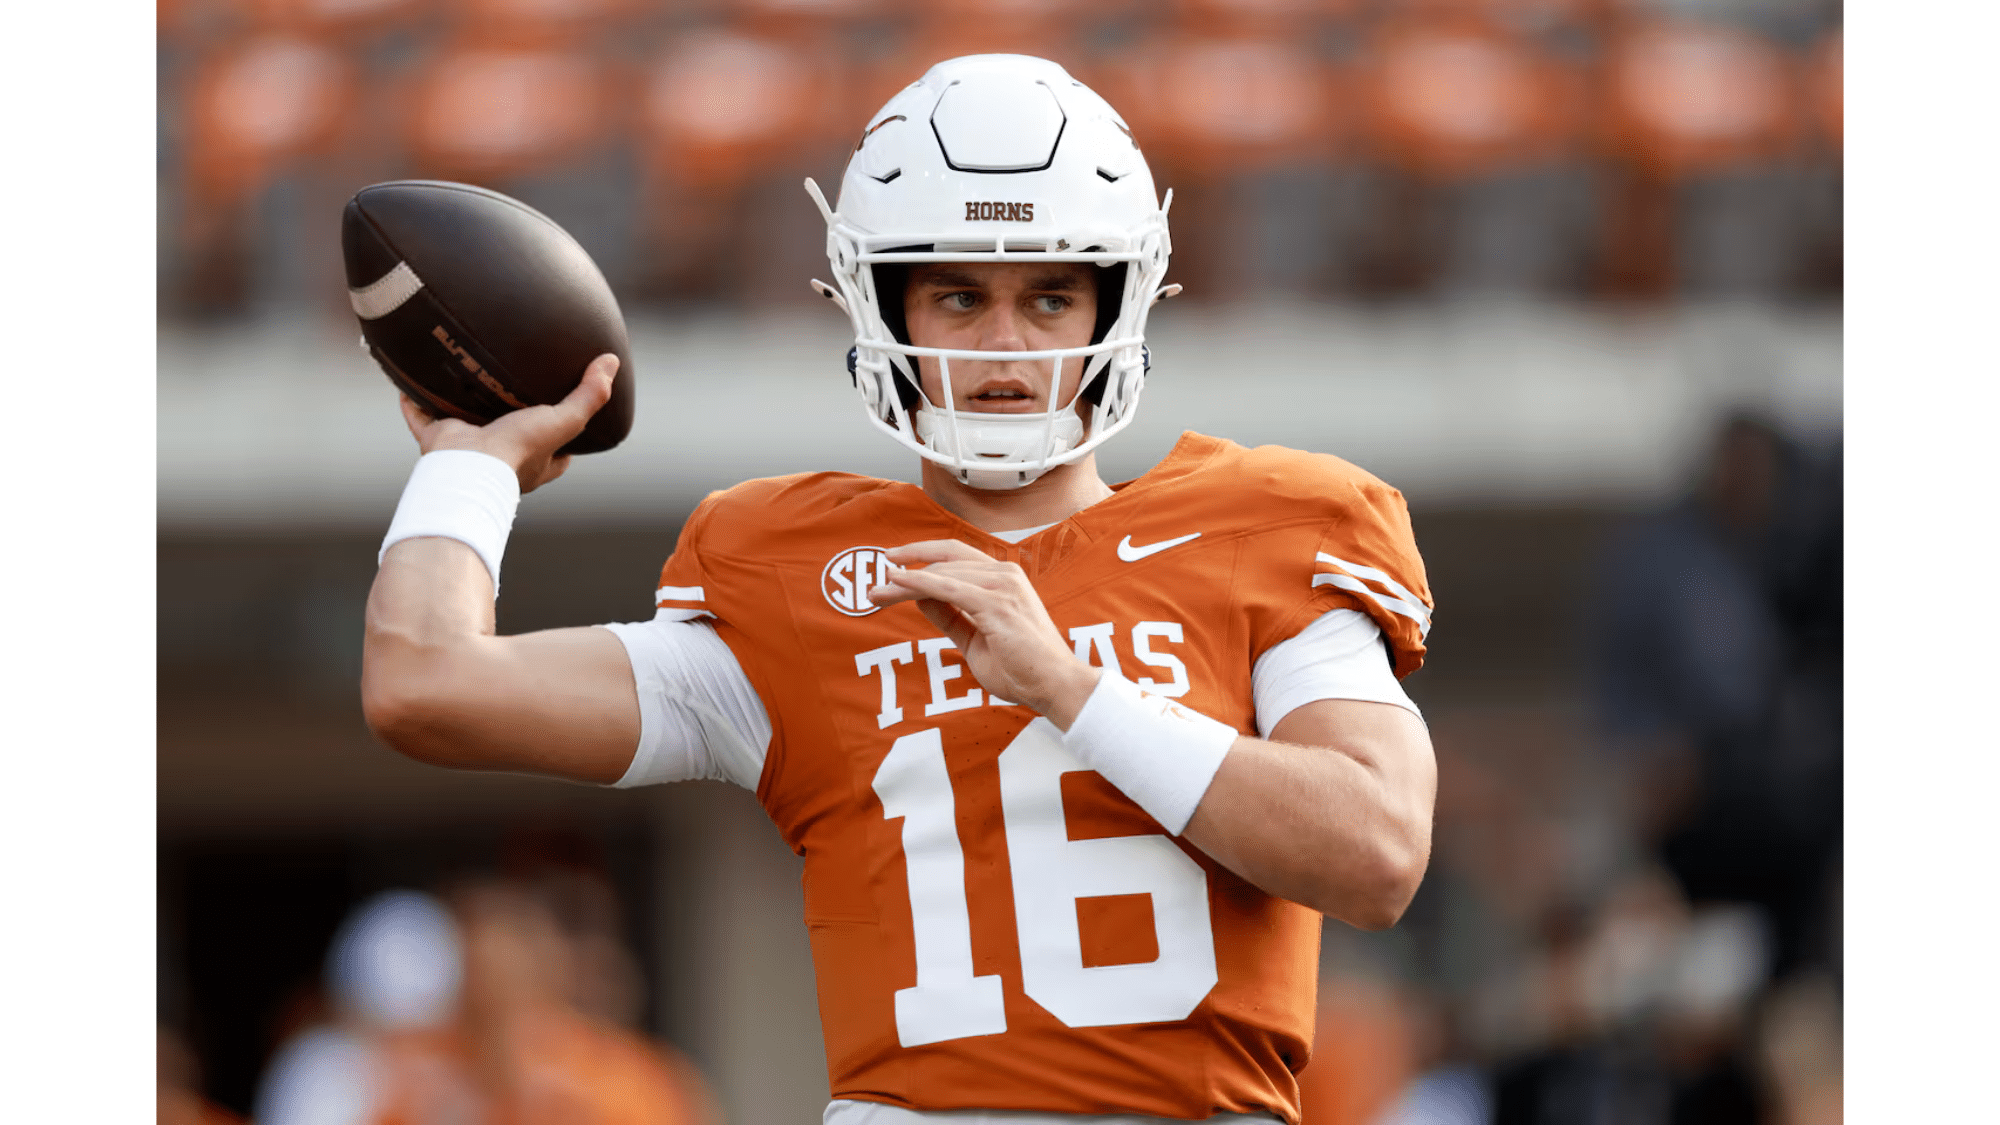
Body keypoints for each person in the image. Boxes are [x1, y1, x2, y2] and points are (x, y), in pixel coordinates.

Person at [362, 54, 1438, 1125]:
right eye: (959, 296)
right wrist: (468, 467)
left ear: (1117, 303)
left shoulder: (1263, 526)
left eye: (1051, 295)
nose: (1004, 346)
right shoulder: (795, 575)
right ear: (881, 304)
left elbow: (1377, 854)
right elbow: (425, 683)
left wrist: (1070, 688)